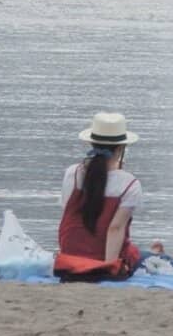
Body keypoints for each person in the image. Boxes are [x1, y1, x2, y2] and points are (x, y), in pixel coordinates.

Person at [58, 111, 142, 276]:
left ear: (92, 144)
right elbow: (115, 229)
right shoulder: (130, 184)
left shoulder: (72, 173)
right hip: (102, 257)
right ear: (121, 148)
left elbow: (67, 213)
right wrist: (109, 267)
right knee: (172, 262)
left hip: (70, 255)